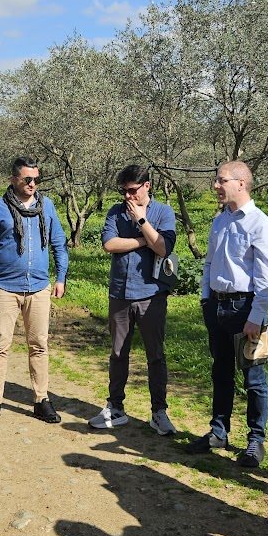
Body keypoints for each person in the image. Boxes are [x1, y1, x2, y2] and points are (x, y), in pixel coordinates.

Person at [186, 160, 268, 469]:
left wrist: (257, 315)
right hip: (217, 306)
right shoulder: (220, 220)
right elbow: (210, 263)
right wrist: (205, 299)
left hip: (246, 309)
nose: (216, 185)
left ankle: (255, 440)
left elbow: (267, 279)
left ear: (241, 183)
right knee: (220, 371)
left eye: (221, 180)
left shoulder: (261, 225)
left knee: (254, 377)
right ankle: (218, 432)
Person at [0, 156, 69, 426]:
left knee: (39, 345)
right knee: (0, 346)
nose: (33, 184)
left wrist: (60, 277)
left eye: (37, 179)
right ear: (13, 179)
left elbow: (59, 243)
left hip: (38, 288)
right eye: (28, 179)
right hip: (5, 288)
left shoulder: (46, 206)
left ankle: (41, 399)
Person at [88, 164, 178, 435]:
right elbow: (109, 244)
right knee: (118, 353)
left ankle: (158, 412)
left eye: (132, 190)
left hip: (152, 295)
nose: (127, 196)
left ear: (147, 186)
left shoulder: (163, 212)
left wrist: (141, 221)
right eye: (123, 191)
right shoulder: (115, 212)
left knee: (156, 355)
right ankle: (115, 407)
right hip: (120, 293)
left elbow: (163, 247)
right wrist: (143, 240)